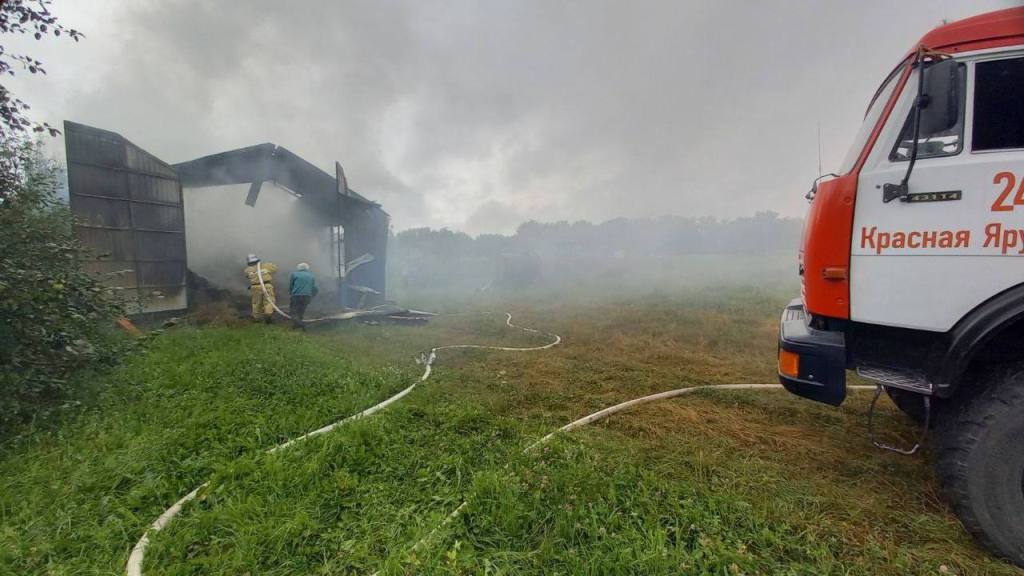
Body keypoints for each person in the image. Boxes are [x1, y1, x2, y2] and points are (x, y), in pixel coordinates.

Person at [244, 254, 278, 323]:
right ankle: (268, 314)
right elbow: (275, 269)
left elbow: (248, 276)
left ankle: (257, 318)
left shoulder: (248, 270)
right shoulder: (267, 265)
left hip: (255, 287)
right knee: (269, 301)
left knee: (256, 303)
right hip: (267, 286)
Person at [288, 262, 318, 329]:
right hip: (307, 296)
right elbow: (315, 288)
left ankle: (301, 324)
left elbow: (291, 286)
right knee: (301, 312)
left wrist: (291, 294)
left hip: (296, 295)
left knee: (293, 312)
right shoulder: (311, 276)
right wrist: (312, 296)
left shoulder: (294, 274)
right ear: (307, 268)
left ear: (298, 268)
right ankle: (297, 327)